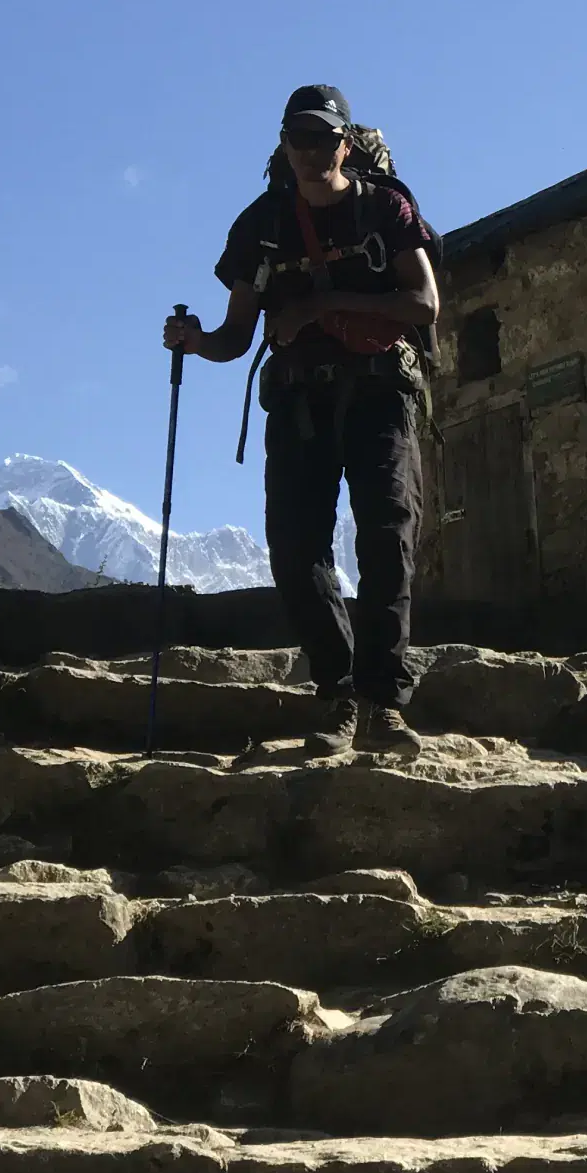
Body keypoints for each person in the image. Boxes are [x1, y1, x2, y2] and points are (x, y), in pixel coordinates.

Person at [163, 85, 439, 756]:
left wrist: (321, 305)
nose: (312, 150)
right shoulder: (261, 225)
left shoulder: (384, 209)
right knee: (294, 550)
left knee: (387, 541)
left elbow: (423, 303)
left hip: (381, 393)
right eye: (300, 139)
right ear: (284, 146)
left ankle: (382, 704)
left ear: (346, 144)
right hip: (296, 402)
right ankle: (339, 694)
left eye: (324, 138)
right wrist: (195, 342)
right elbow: (235, 336)